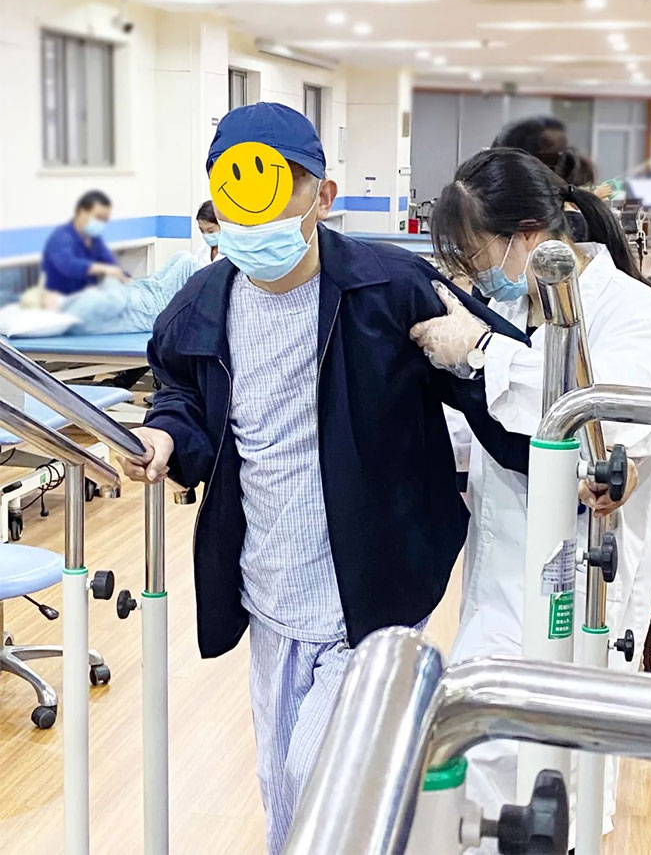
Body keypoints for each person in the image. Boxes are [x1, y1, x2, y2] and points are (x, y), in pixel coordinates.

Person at [119, 102, 533, 854]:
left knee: (322, 778)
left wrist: (561, 454)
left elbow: (502, 382)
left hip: (373, 584)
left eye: (278, 191)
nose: (254, 219)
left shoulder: (392, 287)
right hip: (268, 588)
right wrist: (162, 435)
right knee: (281, 785)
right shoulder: (200, 305)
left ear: (324, 196)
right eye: (235, 198)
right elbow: (183, 397)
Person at [410, 147, 651, 844]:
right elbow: (479, 433)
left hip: (576, 586)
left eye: (479, 254)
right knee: (481, 769)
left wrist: (484, 353)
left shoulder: (629, 309)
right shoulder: (509, 306)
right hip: (498, 580)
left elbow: (605, 417)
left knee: (560, 780)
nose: (479, 274)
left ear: (528, 236)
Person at [19, 251, 203, 334]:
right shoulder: (75, 311)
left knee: (181, 256)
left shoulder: (72, 303)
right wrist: (110, 277)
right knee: (187, 261)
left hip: (144, 291)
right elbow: (114, 302)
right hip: (155, 307)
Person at [42, 190, 128, 295]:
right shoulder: (61, 236)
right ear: (81, 211)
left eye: (105, 219)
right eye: (98, 218)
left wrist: (125, 277)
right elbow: (69, 265)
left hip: (86, 294)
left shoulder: (94, 239)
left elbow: (110, 263)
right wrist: (102, 268)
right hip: (61, 296)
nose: (101, 223)